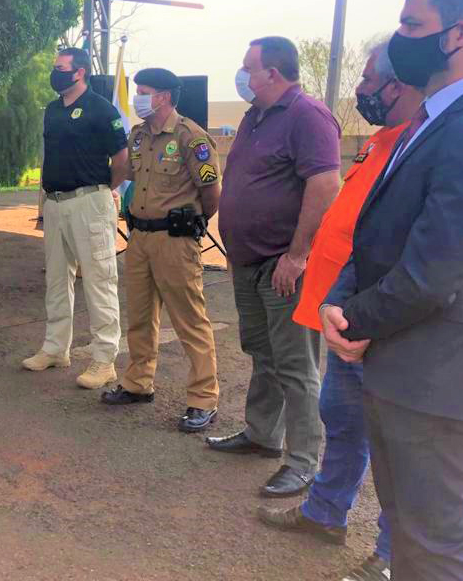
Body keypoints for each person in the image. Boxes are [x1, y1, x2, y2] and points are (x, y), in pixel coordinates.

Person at [322, 0, 463, 581]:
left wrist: (353, 316)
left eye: (412, 25)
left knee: (437, 546)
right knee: (414, 541)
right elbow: (384, 238)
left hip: (432, 370)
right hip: (405, 364)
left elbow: (435, 266)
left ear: (459, 34)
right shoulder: (442, 119)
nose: (399, 39)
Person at [258, 39, 424, 581]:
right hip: (347, 315)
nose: (362, 87)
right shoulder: (383, 144)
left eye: (371, 78)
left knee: (399, 446)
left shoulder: (424, 145)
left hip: (385, 323)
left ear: (402, 85)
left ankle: (394, 556)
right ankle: (324, 514)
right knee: (345, 423)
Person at [208, 36, 341, 498]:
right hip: (248, 261)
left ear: (274, 73)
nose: (242, 76)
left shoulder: (308, 115)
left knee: (296, 365)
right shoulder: (254, 116)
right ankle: (263, 435)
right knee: (263, 354)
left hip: (282, 265)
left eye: (249, 68)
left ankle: (303, 462)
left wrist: (298, 255)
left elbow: (325, 185)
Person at [100, 68, 221, 434]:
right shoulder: (138, 136)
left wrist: (193, 221)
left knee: (190, 321)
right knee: (139, 315)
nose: (138, 97)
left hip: (174, 240)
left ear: (164, 97)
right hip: (139, 238)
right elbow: (132, 177)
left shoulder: (190, 137)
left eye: (144, 91)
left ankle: (203, 399)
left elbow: (211, 192)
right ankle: (138, 383)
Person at [22, 47, 128, 389]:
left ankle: (104, 359)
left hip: (89, 202)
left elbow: (122, 159)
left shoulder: (101, 109)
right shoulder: (52, 110)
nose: (56, 72)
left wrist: (104, 190)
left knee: (98, 280)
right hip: (55, 204)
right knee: (56, 278)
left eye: (60, 67)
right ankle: (55, 348)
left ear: (79, 72)